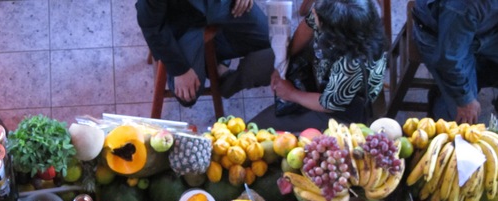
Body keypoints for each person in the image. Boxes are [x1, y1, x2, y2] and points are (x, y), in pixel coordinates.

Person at [250, 0, 388, 133]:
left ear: (333, 34)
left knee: (257, 126)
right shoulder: (337, 12)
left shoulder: (351, 65)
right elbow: (308, 25)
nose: (313, 12)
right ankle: (229, 82)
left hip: (338, 107)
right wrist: (283, 61)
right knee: (255, 64)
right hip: (323, 72)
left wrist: (291, 93)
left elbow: (328, 104)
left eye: (317, 16)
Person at [136, 0, 275, 107]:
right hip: (182, 18)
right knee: (188, 95)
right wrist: (180, 69)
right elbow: (151, 25)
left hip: (223, 4)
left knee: (272, 43)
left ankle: (227, 79)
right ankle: (208, 61)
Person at [412, 0, 498, 125]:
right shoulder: (462, 6)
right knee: (462, 124)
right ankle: (443, 102)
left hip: (485, 30)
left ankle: (471, 78)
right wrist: (465, 100)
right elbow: (449, 60)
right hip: (442, 37)